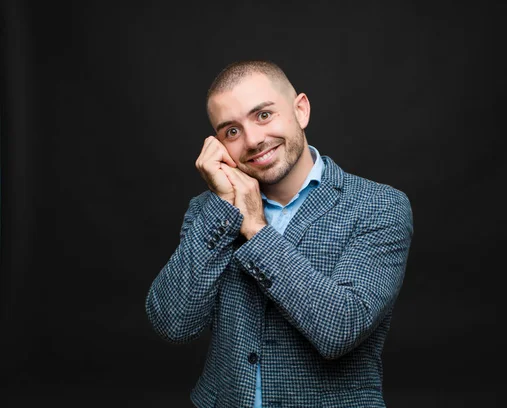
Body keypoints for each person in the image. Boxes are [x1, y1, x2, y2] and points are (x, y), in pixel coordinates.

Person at [145, 59, 414, 407]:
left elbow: (341, 328)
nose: (253, 140)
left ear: (300, 110)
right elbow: (172, 323)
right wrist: (223, 206)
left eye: (263, 115)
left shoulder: (379, 206)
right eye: (231, 131)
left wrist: (256, 230)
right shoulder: (207, 210)